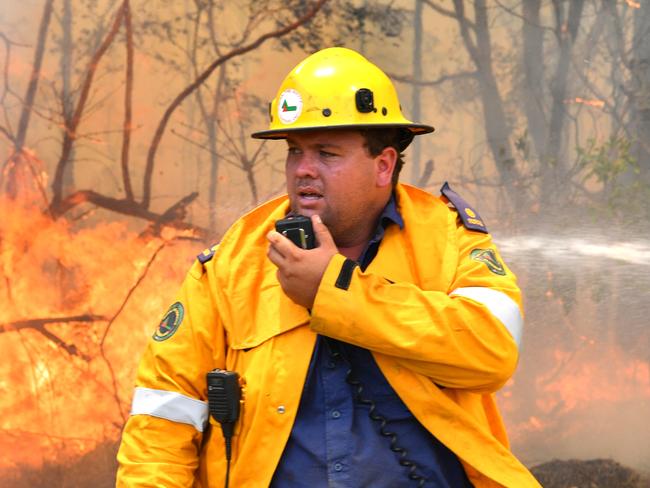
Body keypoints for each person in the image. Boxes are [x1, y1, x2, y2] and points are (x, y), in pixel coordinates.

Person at [116, 47, 540, 487]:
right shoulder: (231, 266)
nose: (303, 170)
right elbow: (161, 422)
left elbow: (492, 352)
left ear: (383, 165)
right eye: (294, 151)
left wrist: (335, 290)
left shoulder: (448, 238)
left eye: (326, 153)